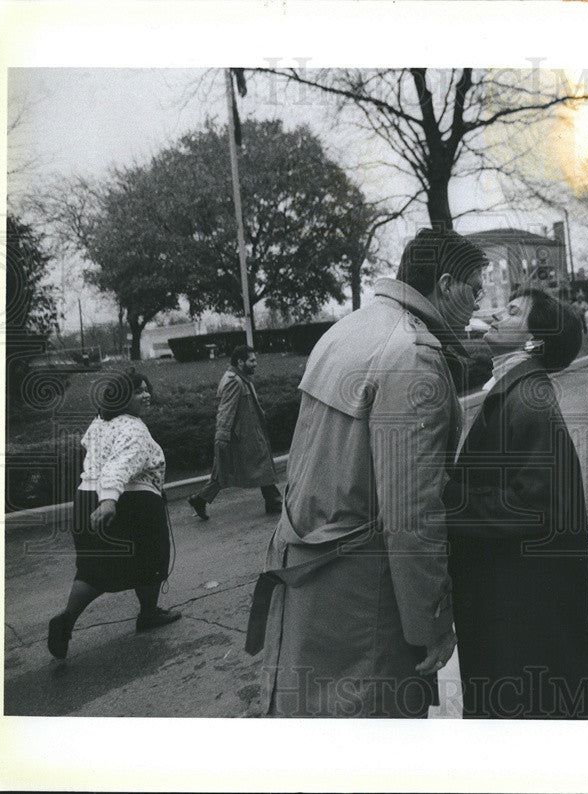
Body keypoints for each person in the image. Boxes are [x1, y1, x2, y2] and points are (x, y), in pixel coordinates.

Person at [246, 228, 488, 718]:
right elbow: (412, 513)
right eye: (475, 290)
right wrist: (432, 623)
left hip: (313, 573)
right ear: (445, 284)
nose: (478, 304)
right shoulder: (414, 355)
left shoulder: (349, 328)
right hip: (365, 598)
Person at [445, 289, 588, 719]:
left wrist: (440, 503)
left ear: (535, 340)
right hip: (514, 606)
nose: (494, 312)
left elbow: (537, 507)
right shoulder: (518, 389)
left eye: (513, 311)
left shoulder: (530, 400)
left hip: (519, 617)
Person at [47, 370, 180, 660]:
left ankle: (67, 619)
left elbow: (87, 447)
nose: (146, 395)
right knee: (151, 557)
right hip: (129, 500)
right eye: (138, 392)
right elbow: (117, 467)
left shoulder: (99, 422)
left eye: (147, 389)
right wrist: (108, 502)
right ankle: (148, 614)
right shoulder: (134, 428)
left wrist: (100, 494)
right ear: (122, 397)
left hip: (85, 497)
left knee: (93, 569)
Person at [188, 346, 282, 520]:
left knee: (228, 470)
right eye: (251, 360)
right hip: (242, 437)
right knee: (245, 467)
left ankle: (200, 499)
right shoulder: (234, 381)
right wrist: (222, 437)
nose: (255, 364)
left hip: (248, 434)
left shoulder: (241, 379)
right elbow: (225, 411)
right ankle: (274, 501)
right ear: (240, 362)